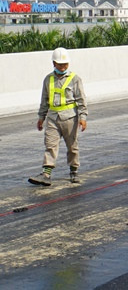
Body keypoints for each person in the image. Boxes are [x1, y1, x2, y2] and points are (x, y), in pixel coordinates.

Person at [29, 48, 88, 186]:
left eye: (65, 64)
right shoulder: (48, 79)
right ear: (54, 63)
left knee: (72, 147)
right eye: (60, 64)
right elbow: (44, 100)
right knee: (50, 146)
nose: (63, 67)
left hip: (70, 119)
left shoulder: (75, 79)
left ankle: (74, 171)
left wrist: (83, 117)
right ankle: (46, 174)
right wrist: (41, 117)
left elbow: (81, 100)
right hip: (52, 118)